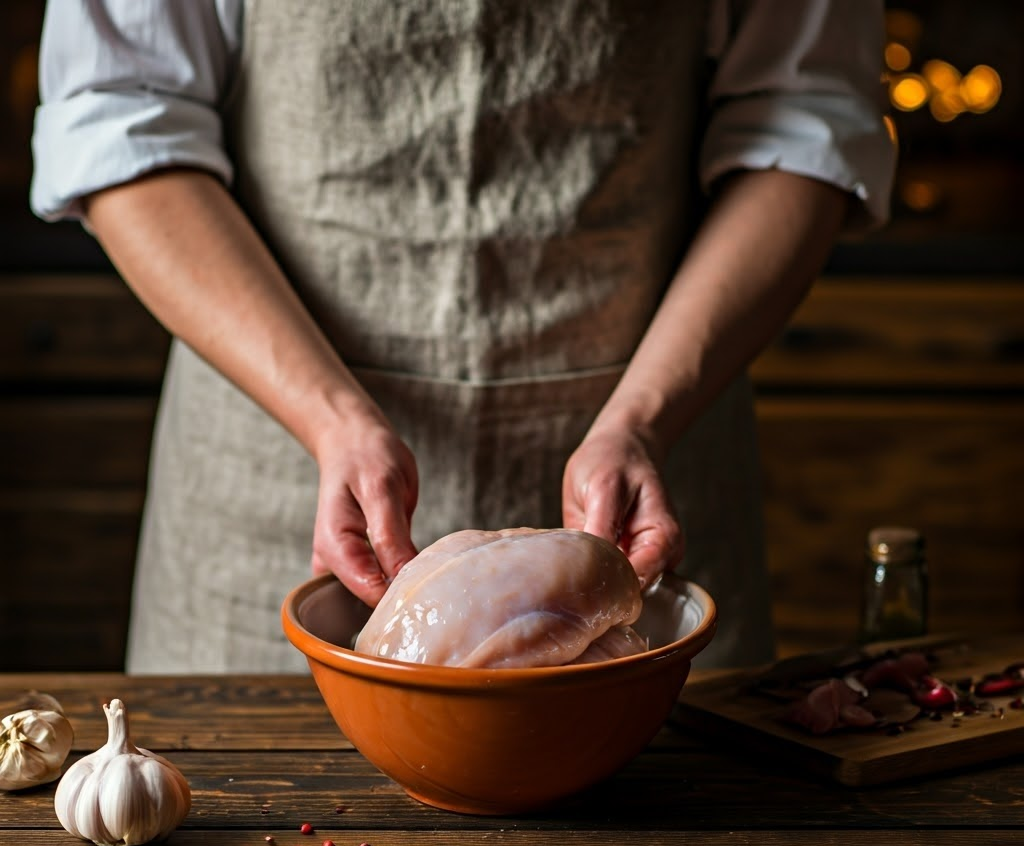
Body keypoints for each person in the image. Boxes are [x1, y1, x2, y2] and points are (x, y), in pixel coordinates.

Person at [31, 0, 895, 673]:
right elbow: (120, 112)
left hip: (649, 446)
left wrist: (642, 418)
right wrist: (331, 418)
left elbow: (803, 112)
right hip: (270, 469)